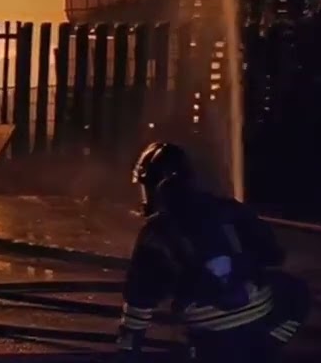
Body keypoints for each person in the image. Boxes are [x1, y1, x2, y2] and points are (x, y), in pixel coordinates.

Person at [115, 142, 311, 362]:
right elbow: (274, 254)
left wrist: (127, 350)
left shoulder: (155, 233)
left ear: (152, 185)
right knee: (295, 291)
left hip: (209, 337)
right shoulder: (228, 208)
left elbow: (139, 300)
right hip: (259, 322)